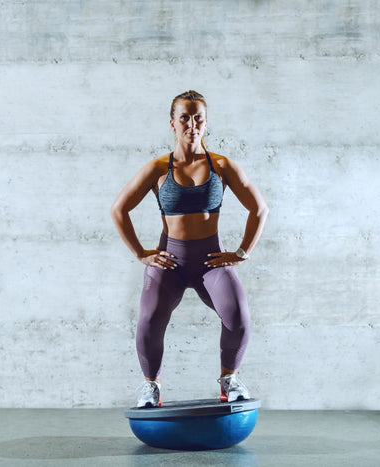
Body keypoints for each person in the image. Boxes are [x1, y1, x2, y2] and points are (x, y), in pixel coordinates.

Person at [110, 90, 269, 408]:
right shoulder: (158, 168)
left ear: (206, 123)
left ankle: (229, 380)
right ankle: (150, 387)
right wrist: (142, 253)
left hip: (210, 260)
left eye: (198, 117)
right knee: (149, 320)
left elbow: (260, 209)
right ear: (173, 122)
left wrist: (241, 253)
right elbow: (118, 210)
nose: (191, 124)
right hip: (170, 261)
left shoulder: (221, 166)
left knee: (238, 317)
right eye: (185, 117)